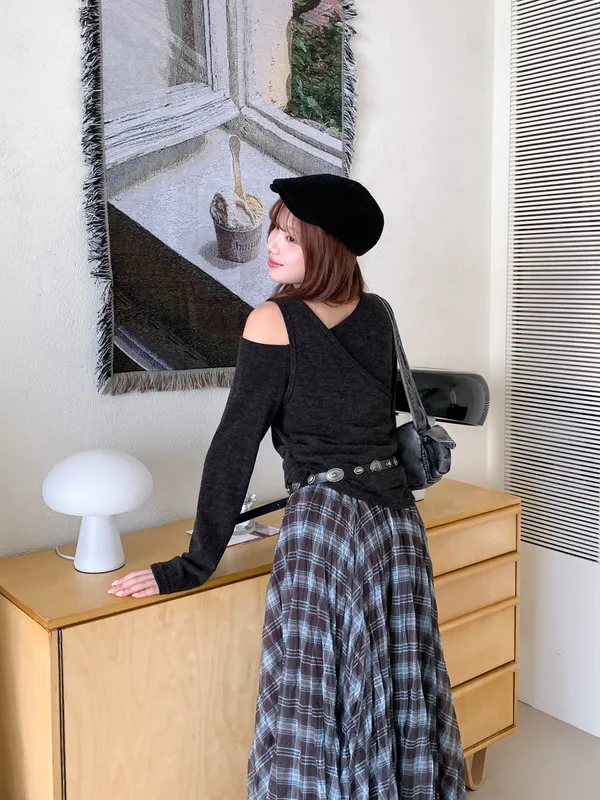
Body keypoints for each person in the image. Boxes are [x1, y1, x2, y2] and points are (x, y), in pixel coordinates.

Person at [109, 174, 466, 799]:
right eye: (275, 229)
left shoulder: (273, 321)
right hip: (398, 531)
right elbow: (366, 413)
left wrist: (191, 566)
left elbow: (234, 446)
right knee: (399, 683)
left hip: (328, 536)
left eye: (291, 236)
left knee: (317, 704)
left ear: (326, 246)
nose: (272, 244)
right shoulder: (378, 314)